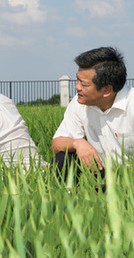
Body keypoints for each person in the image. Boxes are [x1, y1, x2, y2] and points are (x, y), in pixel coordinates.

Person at [52, 47, 133, 181]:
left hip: (129, 178)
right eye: (77, 80)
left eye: (83, 84)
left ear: (107, 90)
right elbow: (57, 143)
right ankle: (67, 198)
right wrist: (77, 143)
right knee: (63, 158)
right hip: (99, 174)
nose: (77, 87)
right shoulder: (80, 103)